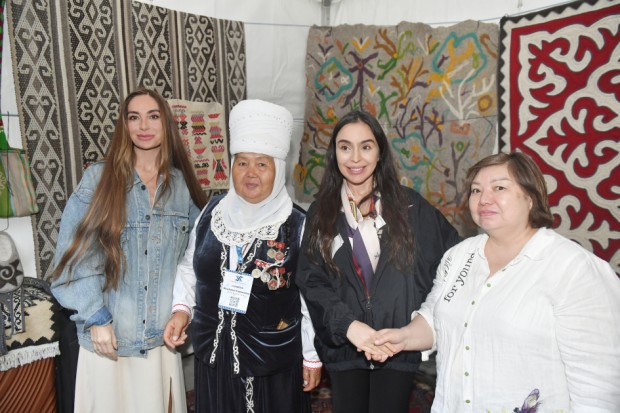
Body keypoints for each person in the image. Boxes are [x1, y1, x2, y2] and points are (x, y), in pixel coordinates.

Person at [373, 152, 620, 412]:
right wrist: (403, 337)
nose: (484, 199)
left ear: (531, 198)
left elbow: (599, 389)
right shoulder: (459, 256)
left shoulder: (574, 269)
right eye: (476, 190)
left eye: (499, 188)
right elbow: (436, 318)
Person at [50, 88, 207, 413]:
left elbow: (193, 261)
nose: (143, 125)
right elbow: (73, 259)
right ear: (124, 125)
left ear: (166, 123)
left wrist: (182, 311)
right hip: (108, 339)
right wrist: (95, 317)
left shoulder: (182, 187)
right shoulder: (99, 179)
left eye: (153, 116)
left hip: (160, 342)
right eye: (134, 117)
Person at [295, 110, 461, 413]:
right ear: (334, 154)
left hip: (396, 346)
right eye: (345, 147)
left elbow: (454, 259)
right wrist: (348, 326)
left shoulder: (411, 207)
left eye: (366, 146)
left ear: (380, 152)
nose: (355, 158)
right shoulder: (321, 213)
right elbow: (312, 282)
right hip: (346, 346)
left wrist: (418, 320)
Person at [163, 99, 322, 413]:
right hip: (215, 359)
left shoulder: (298, 226)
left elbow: (311, 300)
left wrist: (312, 356)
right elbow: (190, 268)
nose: (251, 174)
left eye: (262, 164)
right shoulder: (211, 213)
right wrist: (181, 311)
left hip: (270, 364)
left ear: (278, 170)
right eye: (242, 163)